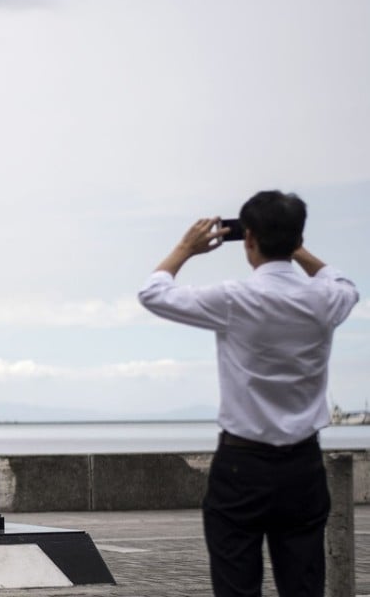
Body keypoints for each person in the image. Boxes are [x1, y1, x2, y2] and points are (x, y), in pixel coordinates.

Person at [138, 190, 359, 597]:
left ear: (249, 239)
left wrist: (185, 248)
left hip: (243, 464)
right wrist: (297, 249)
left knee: (236, 585)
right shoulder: (327, 299)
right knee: (304, 584)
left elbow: (153, 293)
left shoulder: (234, 299)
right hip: (303, 466)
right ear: (297, 239)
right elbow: (344, 282)